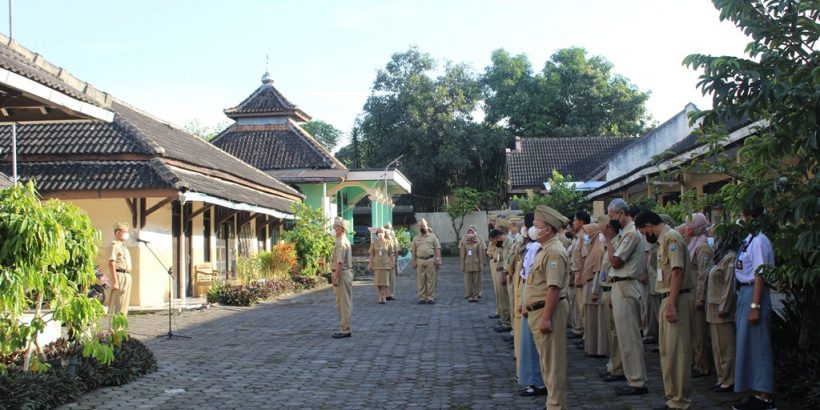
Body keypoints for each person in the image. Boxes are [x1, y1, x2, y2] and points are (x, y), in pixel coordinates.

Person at [635, 210, 695, 409]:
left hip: (675, 299)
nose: (645, 235)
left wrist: (671, 304)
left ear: (650, 225)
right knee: (667, 353)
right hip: (666, 297)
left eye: (644, 231)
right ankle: (672, 397)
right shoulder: (662, 241)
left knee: (678, 353)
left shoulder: (672, 239)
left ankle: (680, 400)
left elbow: (677, 272)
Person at [524, 205, 570, 409]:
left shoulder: (554, 252)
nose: (532, 228)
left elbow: (553, 288)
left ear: (548, 229)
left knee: (553, 364)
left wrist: (546, 318)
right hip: (539, 311)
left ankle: (556, 405)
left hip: (548, 311)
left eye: (536, 225)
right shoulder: (545, 249)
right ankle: (552, 402)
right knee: (546, 363)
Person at [732, 206, 776, 410]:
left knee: (759, 346)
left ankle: (765, 396)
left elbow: (760, 274)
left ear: (752, 217)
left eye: (742, 216)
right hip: (745, 293)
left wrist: (755, 306)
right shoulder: (750, 238)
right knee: (748, 346)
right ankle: (756, 392)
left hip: (754, 293)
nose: (741, 220)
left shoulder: (759, 241)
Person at [604, 199, 648, 396]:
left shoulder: (630, 234)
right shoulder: (624, 234)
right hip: (619, 286)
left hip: (626, 284)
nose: (610, 221)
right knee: (623, 337)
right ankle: (630, 377)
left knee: (630, 337)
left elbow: (615, 262)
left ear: (621, 213)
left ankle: (637, 381)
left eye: (612, 216)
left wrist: (607, 239)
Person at [516, 215, 547, 397]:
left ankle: (538, 382)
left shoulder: (538, 248)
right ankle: (533, 380)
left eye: (536, 225)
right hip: (529, 299)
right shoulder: (532, 247)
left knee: (534, 347)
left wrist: (526, 303)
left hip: (536, 303)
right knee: (529, 346)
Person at [707, 225, 740, 393]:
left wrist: (724, 307)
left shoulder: (730, 257)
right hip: (713, 306)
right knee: (717, 346)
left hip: (722, 308)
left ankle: (729, 379)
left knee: (726, 346)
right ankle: (721, 378)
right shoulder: (720, 256)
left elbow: (729, 285)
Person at [686, 212, 715, 379]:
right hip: (692, 290)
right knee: (694, 331)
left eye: (691, 226)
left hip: (698, 292)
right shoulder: (694, 243)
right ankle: (697, 361)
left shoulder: (703, 245)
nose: (688, 229)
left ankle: (703, 364)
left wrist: (699, 298)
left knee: (699, 332)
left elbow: (703, 274)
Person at [582, 217, 606, 357]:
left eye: (587, 232)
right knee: (590, 320)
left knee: (597, 322)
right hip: (589, 286)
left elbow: (598, 271)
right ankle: (592, 347)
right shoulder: (592, 248)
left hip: (593, 288)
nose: (585, 236)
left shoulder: (598, 250)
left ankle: (599, 349)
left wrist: (595, 290)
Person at [331, 217, 354, 338]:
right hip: (344, 273)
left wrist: (336, 277)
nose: (333, 229)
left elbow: (339, 263)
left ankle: (345, 329)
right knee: (344, 303)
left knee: (343, 303)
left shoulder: (341, 242)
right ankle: (345, 327)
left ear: (340, 228)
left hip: (342, 274)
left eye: (335, 227)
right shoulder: (342, 240)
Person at [411, 218, 441, 304]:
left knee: (431, 279)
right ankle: (422, 297)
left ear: (427, 226)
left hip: (430, 260)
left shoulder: (433, 236)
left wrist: (438, 259)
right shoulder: (416, 238)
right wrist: (414, 261)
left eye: (423, 226)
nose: (422, 227)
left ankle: (431, 297)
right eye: (420, 226)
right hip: (419, 260)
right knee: (421, 280)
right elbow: (413, 251)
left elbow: (437, 248)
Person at [108, 222, 133, 323]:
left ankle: (121, 330)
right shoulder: (114, 245)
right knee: (117, 304)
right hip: (119, 276)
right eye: (124, 232)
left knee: (124, 305)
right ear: (118, 233)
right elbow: (111, 263)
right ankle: (114, 330)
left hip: (127, 275)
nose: (127, 234)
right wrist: (115, 281)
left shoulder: (124, 246)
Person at [489, 228, 512, 332]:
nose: (494, 244)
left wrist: (503, 274)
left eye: (494, 241)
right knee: (502, 300)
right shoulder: (500, 244)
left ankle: (508, 323)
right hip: (500, 272)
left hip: (505, 274)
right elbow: (499, 258)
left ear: (498, 237)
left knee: (506, 300)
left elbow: (508, 260)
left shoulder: (509, 243)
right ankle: (504, 320)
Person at [459, 226, 485, 302]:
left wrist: (481, 265)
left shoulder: (478, 243)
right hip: (467, 264)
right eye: (469, 232)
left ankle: (476, 295)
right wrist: (462, 265)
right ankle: (470, 295)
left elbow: (480, 255)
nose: (470, 234)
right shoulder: (464, 243)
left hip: (476, 264)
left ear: (474, 233)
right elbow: (462, 256)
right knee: (468, 281)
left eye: (472, 232)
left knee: (476, 281)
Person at [368, 227, 394, 304]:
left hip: (385, 264)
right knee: (378, 282)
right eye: (379, 232)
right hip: (377, 264)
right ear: (377, 234)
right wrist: (370, 263)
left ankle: (384, 296)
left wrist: (392, 263)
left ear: (384, 234)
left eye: (382, 232)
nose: (380, 234)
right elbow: (371, 255)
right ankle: (379, 296)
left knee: (385, 282)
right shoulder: (374, 243)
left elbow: (391, 254)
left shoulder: (388, 242)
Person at [384, 223, 400, 301]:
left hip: (392, 260)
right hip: (383, 261)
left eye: (389, 228)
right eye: (386, 228)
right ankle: (385, 294)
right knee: (384, 278)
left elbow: (396, 251)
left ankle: (391, 294)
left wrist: (396, 262)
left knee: (392, 278)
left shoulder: (394, 239)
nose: (388, 230)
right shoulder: (382, 239)